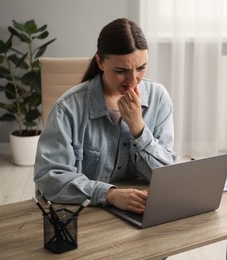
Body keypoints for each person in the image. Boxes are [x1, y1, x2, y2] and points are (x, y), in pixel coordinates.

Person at [34, 18, 177, 214]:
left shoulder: (158, 98)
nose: (132, 80)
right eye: (121, 71)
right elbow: (49, 179)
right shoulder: (67, 108)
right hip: (82, 213)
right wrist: (108, 194)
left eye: (141, 68)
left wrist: (138, 129)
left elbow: (168, 177)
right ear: (100, 62)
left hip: (138, 209)